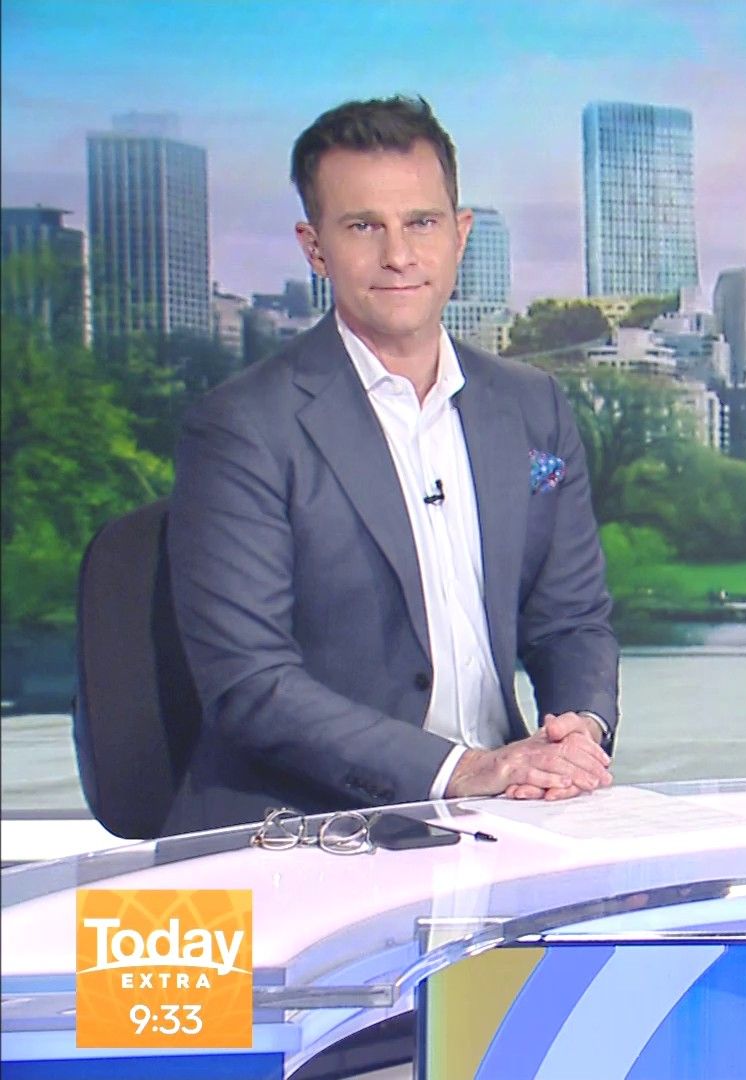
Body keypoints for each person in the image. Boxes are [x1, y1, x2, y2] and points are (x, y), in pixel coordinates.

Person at [165, 96, 617, 833]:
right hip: (305, 829)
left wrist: (578, 733)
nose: (399, 255)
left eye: (422, 223)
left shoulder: (532, 406)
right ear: (314, 247)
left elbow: (572, 621)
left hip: (507, 816)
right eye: (363, 226)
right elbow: (251, 683)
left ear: (460, 235)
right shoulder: (243, 427)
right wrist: (466, 770)